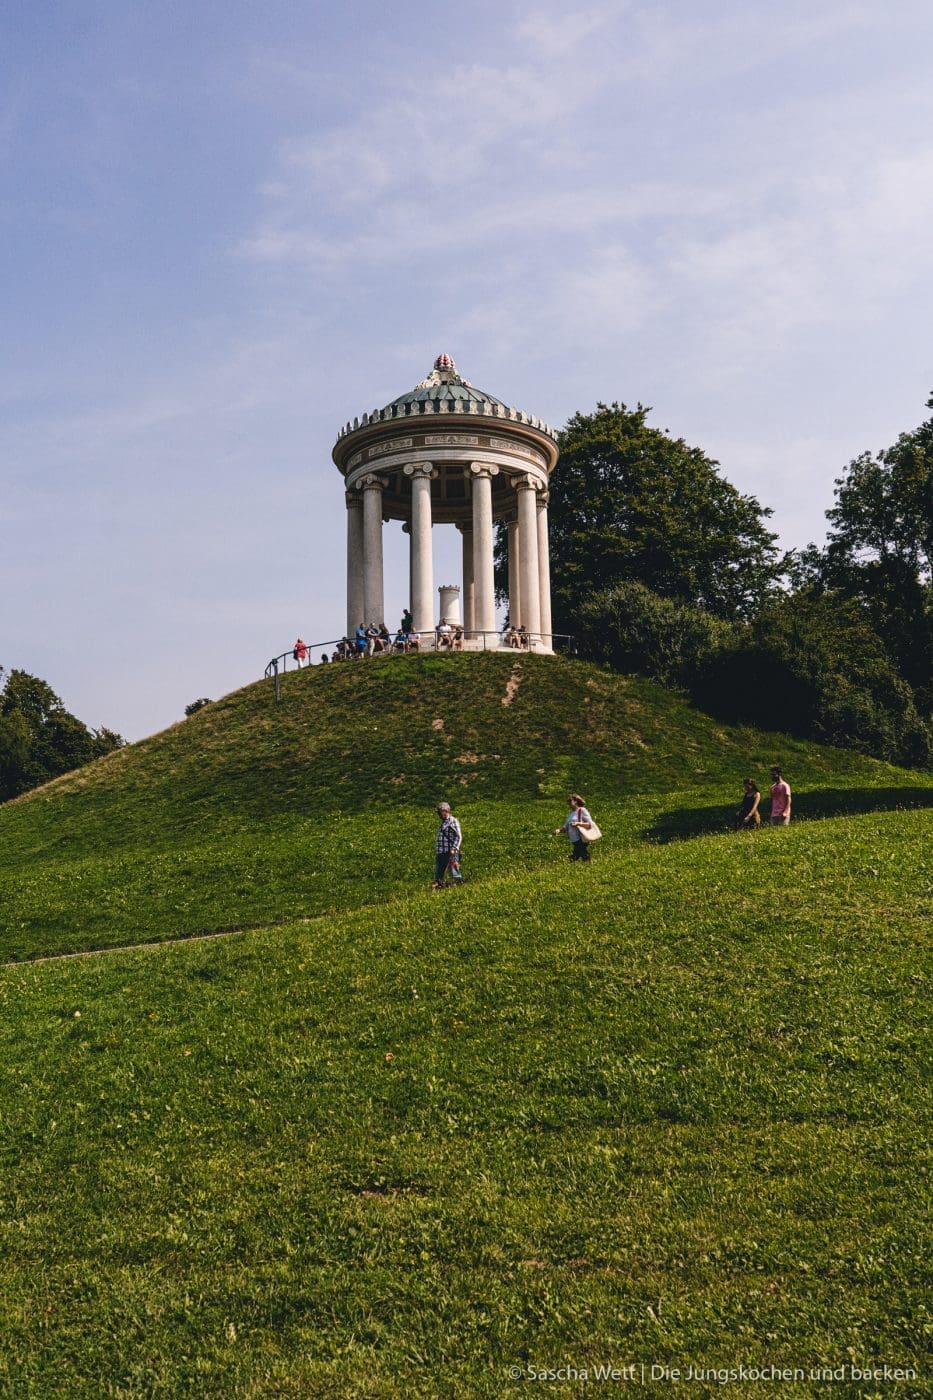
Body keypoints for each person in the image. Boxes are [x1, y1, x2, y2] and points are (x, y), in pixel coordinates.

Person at [432, 801, 464, 888]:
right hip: (441, 852)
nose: (438, 814)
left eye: (439, 812)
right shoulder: (444, 822)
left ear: (445, 811)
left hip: (450, 852)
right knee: (439, 873)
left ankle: (459, 885)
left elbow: (458, 836)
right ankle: (439, 885)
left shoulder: (453, 821)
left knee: (454, 872)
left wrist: (454, 848)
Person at [554, 793, 594, 862]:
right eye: (568, 802)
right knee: (578, 855)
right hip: (574, 840)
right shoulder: (571, 814)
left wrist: (578, 824)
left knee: (581, 855)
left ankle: (584, 864)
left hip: (581, 838)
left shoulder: (582, 810)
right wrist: (559, 830)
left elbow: (590, 824)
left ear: (576, 801)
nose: (568, 803)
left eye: (570, 801)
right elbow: (566, 827)